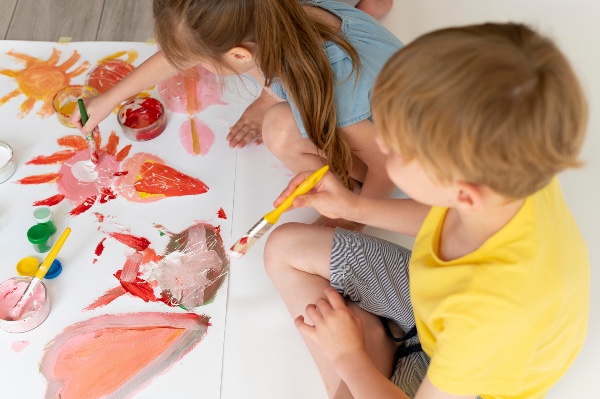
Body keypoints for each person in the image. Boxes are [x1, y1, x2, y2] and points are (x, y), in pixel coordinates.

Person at [264, 23, 589, 398]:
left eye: (397, 149)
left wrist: (348, 356)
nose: (380, 141)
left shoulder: (489, 315)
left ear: (463, 194)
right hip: (432, 307)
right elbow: (440, 218)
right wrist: (354, 206)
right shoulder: (513, 167)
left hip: (462, 365)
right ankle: (378, 336)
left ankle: (373, 345)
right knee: (284, 247)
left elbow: (473, 321)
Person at [71, 0, 403, 228]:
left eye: (202, 61)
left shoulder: (333, 87)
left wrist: (353, 218)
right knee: (276, 118)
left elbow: (387, 167)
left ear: (239, 55)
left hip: (405, 149)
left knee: (279, 129)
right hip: (367, 106)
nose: (196, 66)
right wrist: (109, 99)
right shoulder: (267, 19)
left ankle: (349, 190)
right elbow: (182, 54)